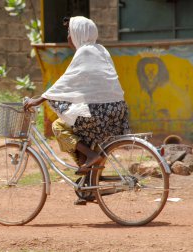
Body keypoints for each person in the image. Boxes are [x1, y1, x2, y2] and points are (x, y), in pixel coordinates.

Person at [24, 16, 130, 175]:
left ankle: (91, 156)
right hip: (116, 111)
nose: (68, 37)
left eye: (70, 32)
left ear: (79, 34)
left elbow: (66, 81)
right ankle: (88, 187)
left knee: (59, 126)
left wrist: (38, 100)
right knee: (84, 136)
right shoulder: (101, 50)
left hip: (99, 113)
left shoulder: (84, 52)